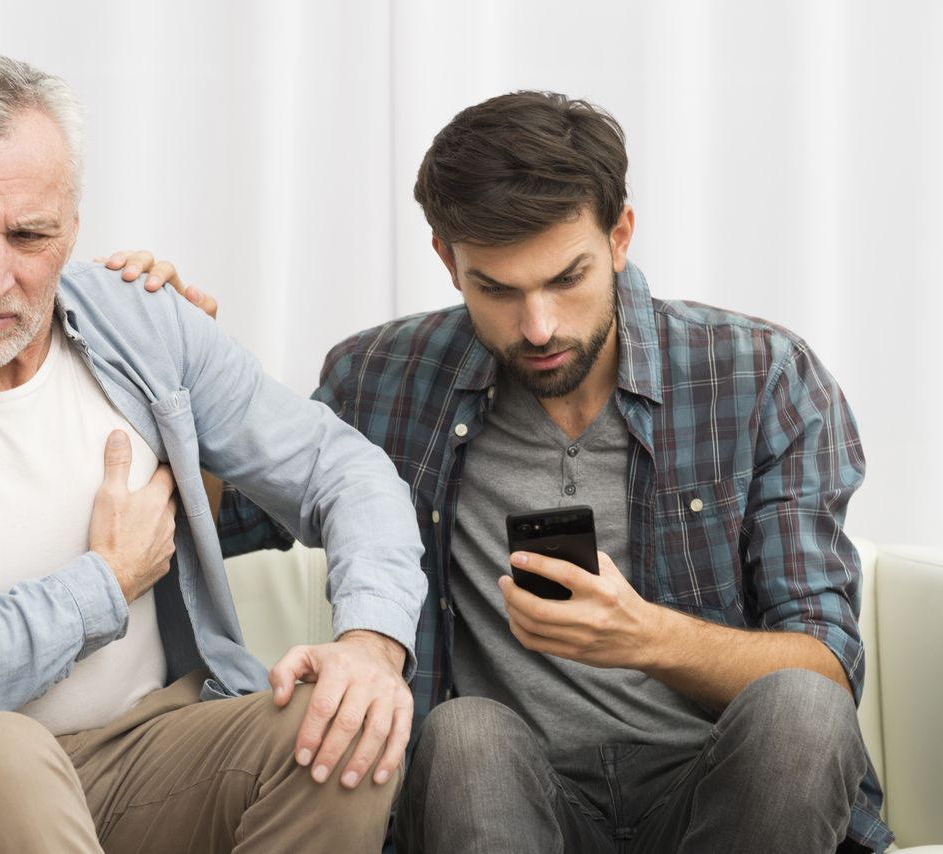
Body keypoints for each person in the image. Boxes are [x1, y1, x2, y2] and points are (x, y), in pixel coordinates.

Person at [0, 52, 428, 854]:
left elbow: (345, 472)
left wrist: (371, 644)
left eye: (31, 234)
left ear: (72, 226)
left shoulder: (144, 323)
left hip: (152, 749)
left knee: (342, 724)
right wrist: (102, 584)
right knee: (5, 754)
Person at [190, 92, 890, 853]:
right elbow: (224, 519)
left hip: (720, 793)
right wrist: (177, 369)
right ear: (445, 259)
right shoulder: (382, 378)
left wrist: (647, 637)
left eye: (566, 278)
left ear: (620, 236)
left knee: (805, 711)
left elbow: (826, 663)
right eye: (495, 288)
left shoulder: (758, 377)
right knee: (464, 734)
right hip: (510, 800)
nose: (538, 327)